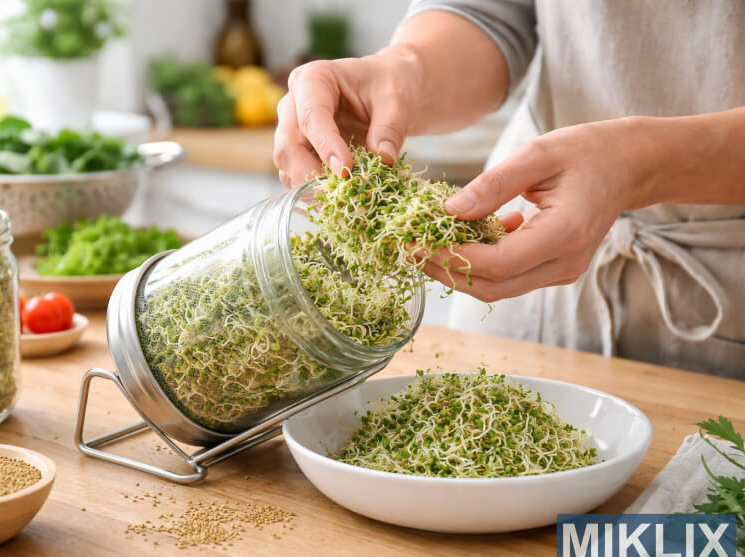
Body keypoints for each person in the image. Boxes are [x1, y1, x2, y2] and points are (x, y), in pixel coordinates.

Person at [273, 0, 745, 380]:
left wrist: (643, 165)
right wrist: (406, 70)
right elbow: (489, 12)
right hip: (532, 242)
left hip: (724, 297)